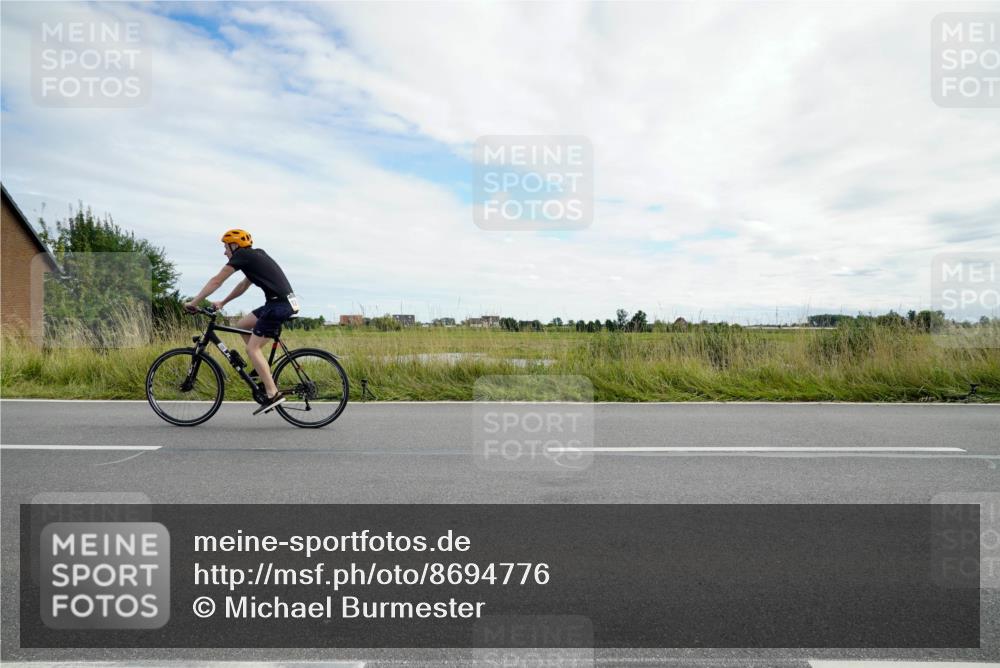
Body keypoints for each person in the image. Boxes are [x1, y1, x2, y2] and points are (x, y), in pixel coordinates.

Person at [184, 229, 299, 415]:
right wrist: (223, 302)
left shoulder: (243, 255)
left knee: (252, 349)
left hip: (278, 306)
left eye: (225, 247)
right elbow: (243, 285)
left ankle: (272, 393)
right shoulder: (255, 255)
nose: (224, 252)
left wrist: (194, 303)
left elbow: (216, 281)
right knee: (242, 325)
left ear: (235, 245)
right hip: (280, 303)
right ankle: (261, 370)